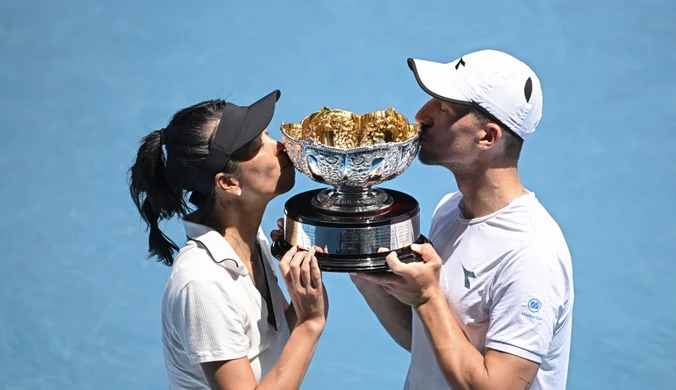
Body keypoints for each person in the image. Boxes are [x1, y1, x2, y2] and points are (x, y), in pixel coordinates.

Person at [350, 49, 574, 390]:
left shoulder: (531, 253)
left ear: (488, 137)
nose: (421, 115)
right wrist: (364, 271)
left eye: (444, 107)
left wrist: (427, 297)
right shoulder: (448, 211)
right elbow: (426, 341)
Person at [127, 89, 328, 390]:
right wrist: (310, 324)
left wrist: (305, 290)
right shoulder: (202, 284)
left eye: (267, 134)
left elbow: (269, 346)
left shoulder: (250, 241)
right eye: (258, 144)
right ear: (228, 183)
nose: (282, 146)